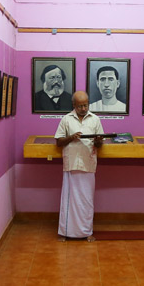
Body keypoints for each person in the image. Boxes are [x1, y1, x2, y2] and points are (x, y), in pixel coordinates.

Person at [54, 91, 103, 241]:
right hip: (72, 165)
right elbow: (58, 142)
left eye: (86, 105)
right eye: (80, 105)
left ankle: (87, 232)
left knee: (87, 201)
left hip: (88, 164)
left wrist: (98, 140)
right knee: (69, 201)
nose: (83, 108)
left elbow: (100, 144)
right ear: (74, 105)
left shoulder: (95, 119)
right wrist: (71, 137)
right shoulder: (66, 119)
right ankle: (65, 232)